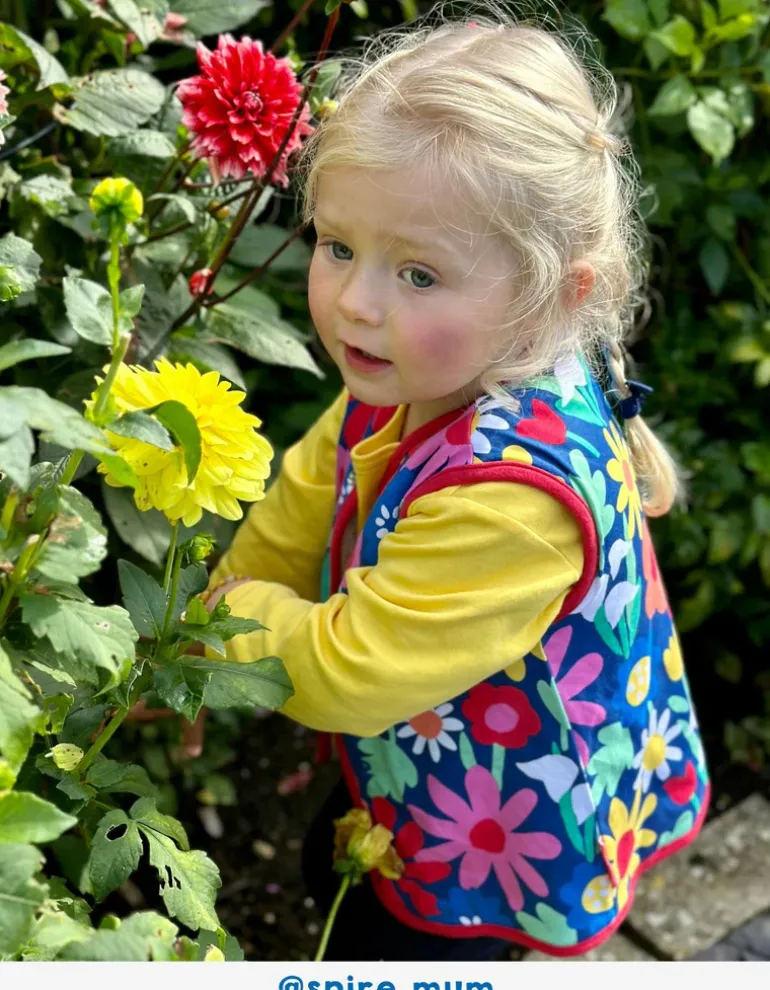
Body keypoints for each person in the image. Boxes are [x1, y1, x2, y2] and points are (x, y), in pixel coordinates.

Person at [201, 2, 710, 961]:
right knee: (340, 870)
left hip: (506, 809)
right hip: (433, 730)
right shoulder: (421, 369)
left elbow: (350, 670)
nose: (355, 301)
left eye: (420, 275)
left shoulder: (514, 502)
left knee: (416, 948)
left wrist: (222, 623)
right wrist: (228, 597)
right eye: (338, 245)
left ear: (554, 294)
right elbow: (309, 488)